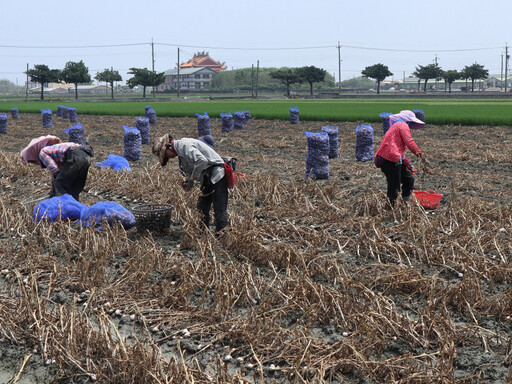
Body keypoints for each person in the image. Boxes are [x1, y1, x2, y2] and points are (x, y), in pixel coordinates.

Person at [152, 134, 229, 233]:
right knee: (202, 207)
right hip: (207, 177)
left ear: (168, 147)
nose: (169, 157)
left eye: (166, 155)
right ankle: (202, 232)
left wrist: (193, 178)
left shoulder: (185, 145)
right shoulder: (181, 153)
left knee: (219, 207)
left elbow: (202, 161)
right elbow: (189, 170)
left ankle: (222, 235)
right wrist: (188, 180)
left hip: (217, 174)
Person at [374, 110, 425, 205]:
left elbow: (397, 149)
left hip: (393, 158)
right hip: (388, 159)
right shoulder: (402, 125)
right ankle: (391, 208)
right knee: (394, 186)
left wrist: (407, 163)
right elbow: (409, 141)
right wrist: (420, 154)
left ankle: (405, 202)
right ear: (408, 120)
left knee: (408, 179)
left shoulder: (397, 126)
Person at [20, 136, 94, 201]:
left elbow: (55, 170)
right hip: (86, 156)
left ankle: (62, 207)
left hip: (75, 155)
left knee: (60, 184)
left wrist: (55, 190)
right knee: (73, 187)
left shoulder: (42, 152)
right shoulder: (54, 149)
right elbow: (63, 172)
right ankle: (74, 210)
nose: (37, 164)